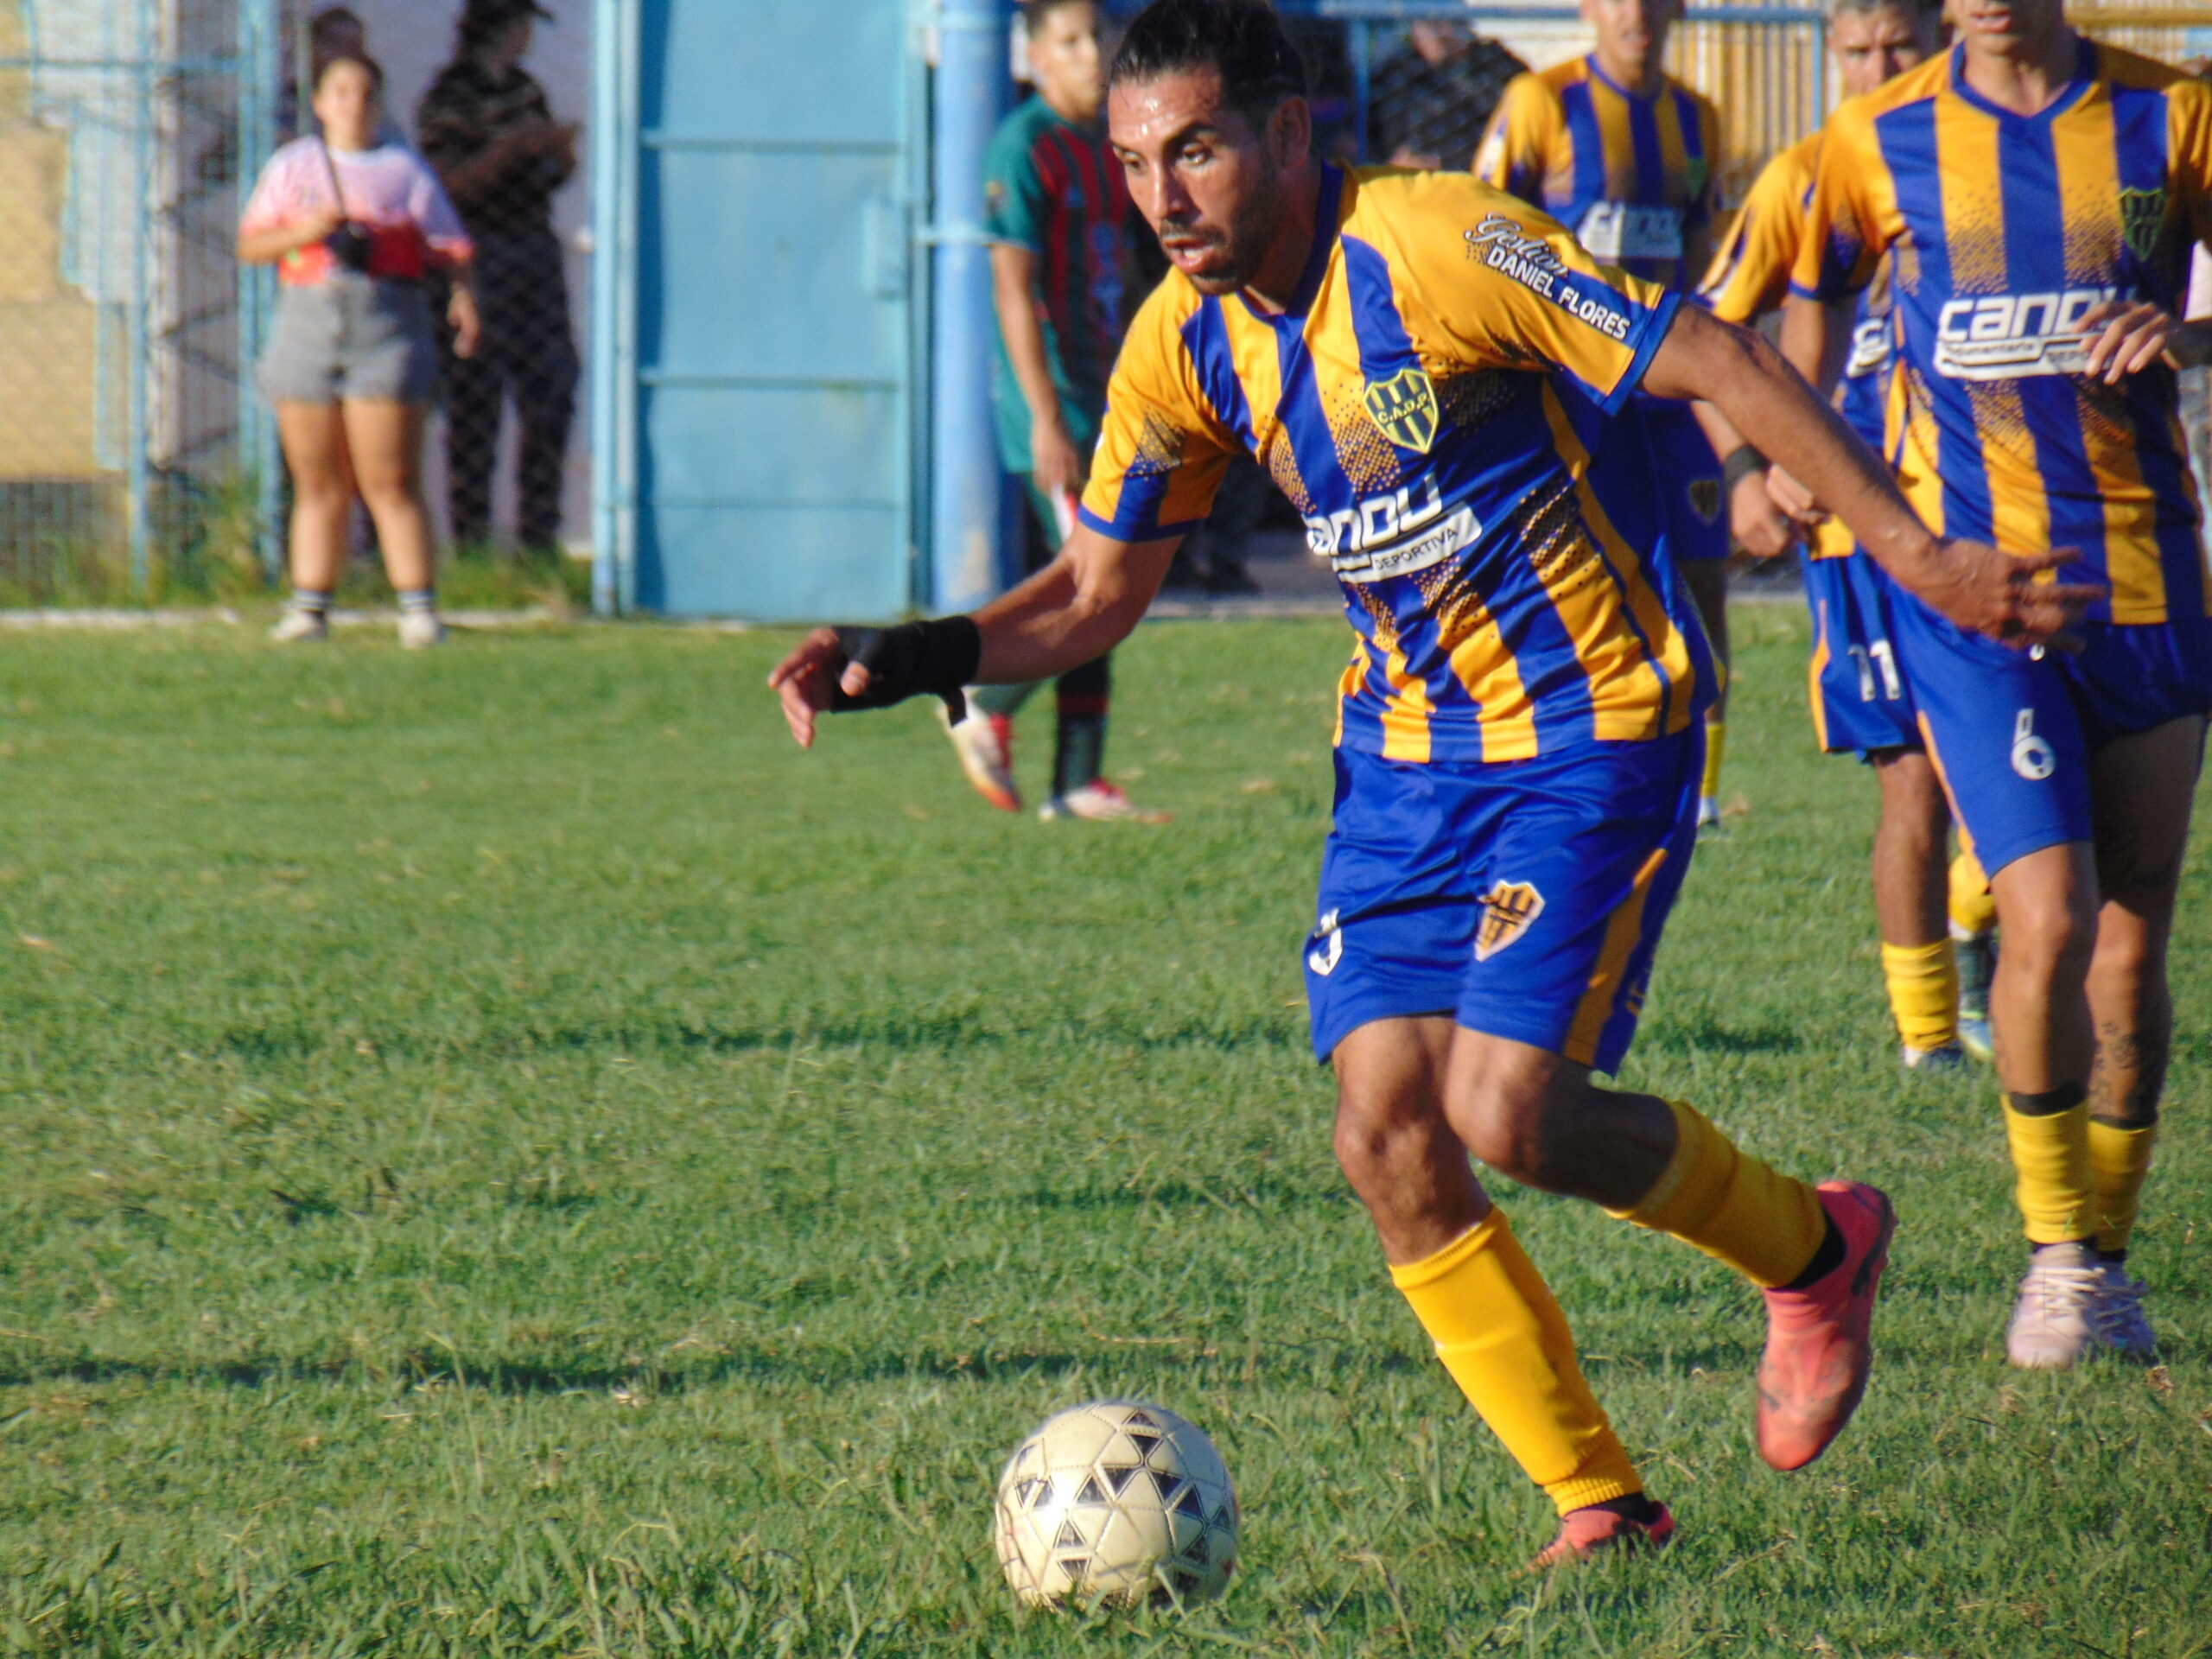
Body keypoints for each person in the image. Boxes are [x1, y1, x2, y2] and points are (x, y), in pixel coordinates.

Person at [769, 0, 2089, 1565]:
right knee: (1385, 1132)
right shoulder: (1181, 341)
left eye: (1192, 149)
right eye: (1133, 162)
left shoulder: (1438, 242)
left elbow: (1716, 355)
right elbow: (1091, 592)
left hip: (1596, 720)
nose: (1162, 194)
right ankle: (1601, 1502)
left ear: (1284, 132)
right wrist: (912, 654)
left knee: (1506, 1108)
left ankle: (1813, 1250)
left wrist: (1923, 557)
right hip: (1404, 762)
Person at [1784, 0, 2212, 1368]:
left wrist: (2188, 338)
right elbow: (1807, 280)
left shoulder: (2171, 114)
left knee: (2134, 951)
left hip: (2144, 584)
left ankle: (2110, 1259)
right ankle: (2055, 1260)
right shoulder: (1877, 137)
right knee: (2049, 917)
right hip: (1972, 606)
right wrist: (1792, 454)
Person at [1695, 0, 1997, 1071]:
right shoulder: (1806, 172)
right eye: (1854, 49)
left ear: (1943, 40)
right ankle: (1930, 1037)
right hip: (1854, 535)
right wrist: (1748, 465)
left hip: (1991, 508)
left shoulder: (1990, 161)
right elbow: (1709, 336)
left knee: (2036, 766)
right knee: (1910, 780)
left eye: (1896, 47)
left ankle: (1980, 917)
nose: (1875, 66)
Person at [1473, 0, 1742, 833]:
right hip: (1570, 398)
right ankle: (1553, 770)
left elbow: (1706, 262)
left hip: (1667, 400)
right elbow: (1475, 236)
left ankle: (1697, 798)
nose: (1637, 14)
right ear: (1589, 7)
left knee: (1701, 582)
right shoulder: (1540, 105)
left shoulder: (1698, 120)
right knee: (1567, 589)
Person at [952, 0, 1168, 823]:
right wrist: (1044, 418)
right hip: (1057, 409)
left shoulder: (1107, 144)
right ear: (1035, 54)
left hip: (1109, 396)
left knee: (1101, 590)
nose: (1091, 56)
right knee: (1096, 584)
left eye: (1098, 39)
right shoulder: (1025, 147)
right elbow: (1014, 290)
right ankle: (987, 704)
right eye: (1071, 42)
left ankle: (1077, 783)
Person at [238, 53, 480, 648]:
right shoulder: (293, 166)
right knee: (317, 479)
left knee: (390, 477)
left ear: (380, 101)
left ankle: (418, 608)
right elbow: (253, 245)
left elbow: (450, 247)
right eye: (339, 91)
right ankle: (310, 607)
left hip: (385, 325)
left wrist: (464, 301)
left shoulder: (403, 171)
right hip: (308, 320)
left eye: (365, 91)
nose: (352, 102)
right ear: (318, 102)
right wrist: (308, 232)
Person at [416, 0, 580, 560]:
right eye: (521, 26)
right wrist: (512, 151)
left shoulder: (524, 89)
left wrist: (557, 155)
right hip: (477, 258)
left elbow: (547, 176)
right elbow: (447, 187)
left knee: (550, 393)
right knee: (474, 401)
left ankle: (538, 542)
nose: (526, 38)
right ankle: (471, 543)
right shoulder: (450, 96)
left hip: (532, 251)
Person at [1365, 19, 1525, 171]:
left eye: (1441, 22)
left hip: (1486, 176)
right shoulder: (1398, 73)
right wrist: (1390, 167)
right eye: (1426, 24)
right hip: (1415, 184)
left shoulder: (1494, 65)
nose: (1435, 33)